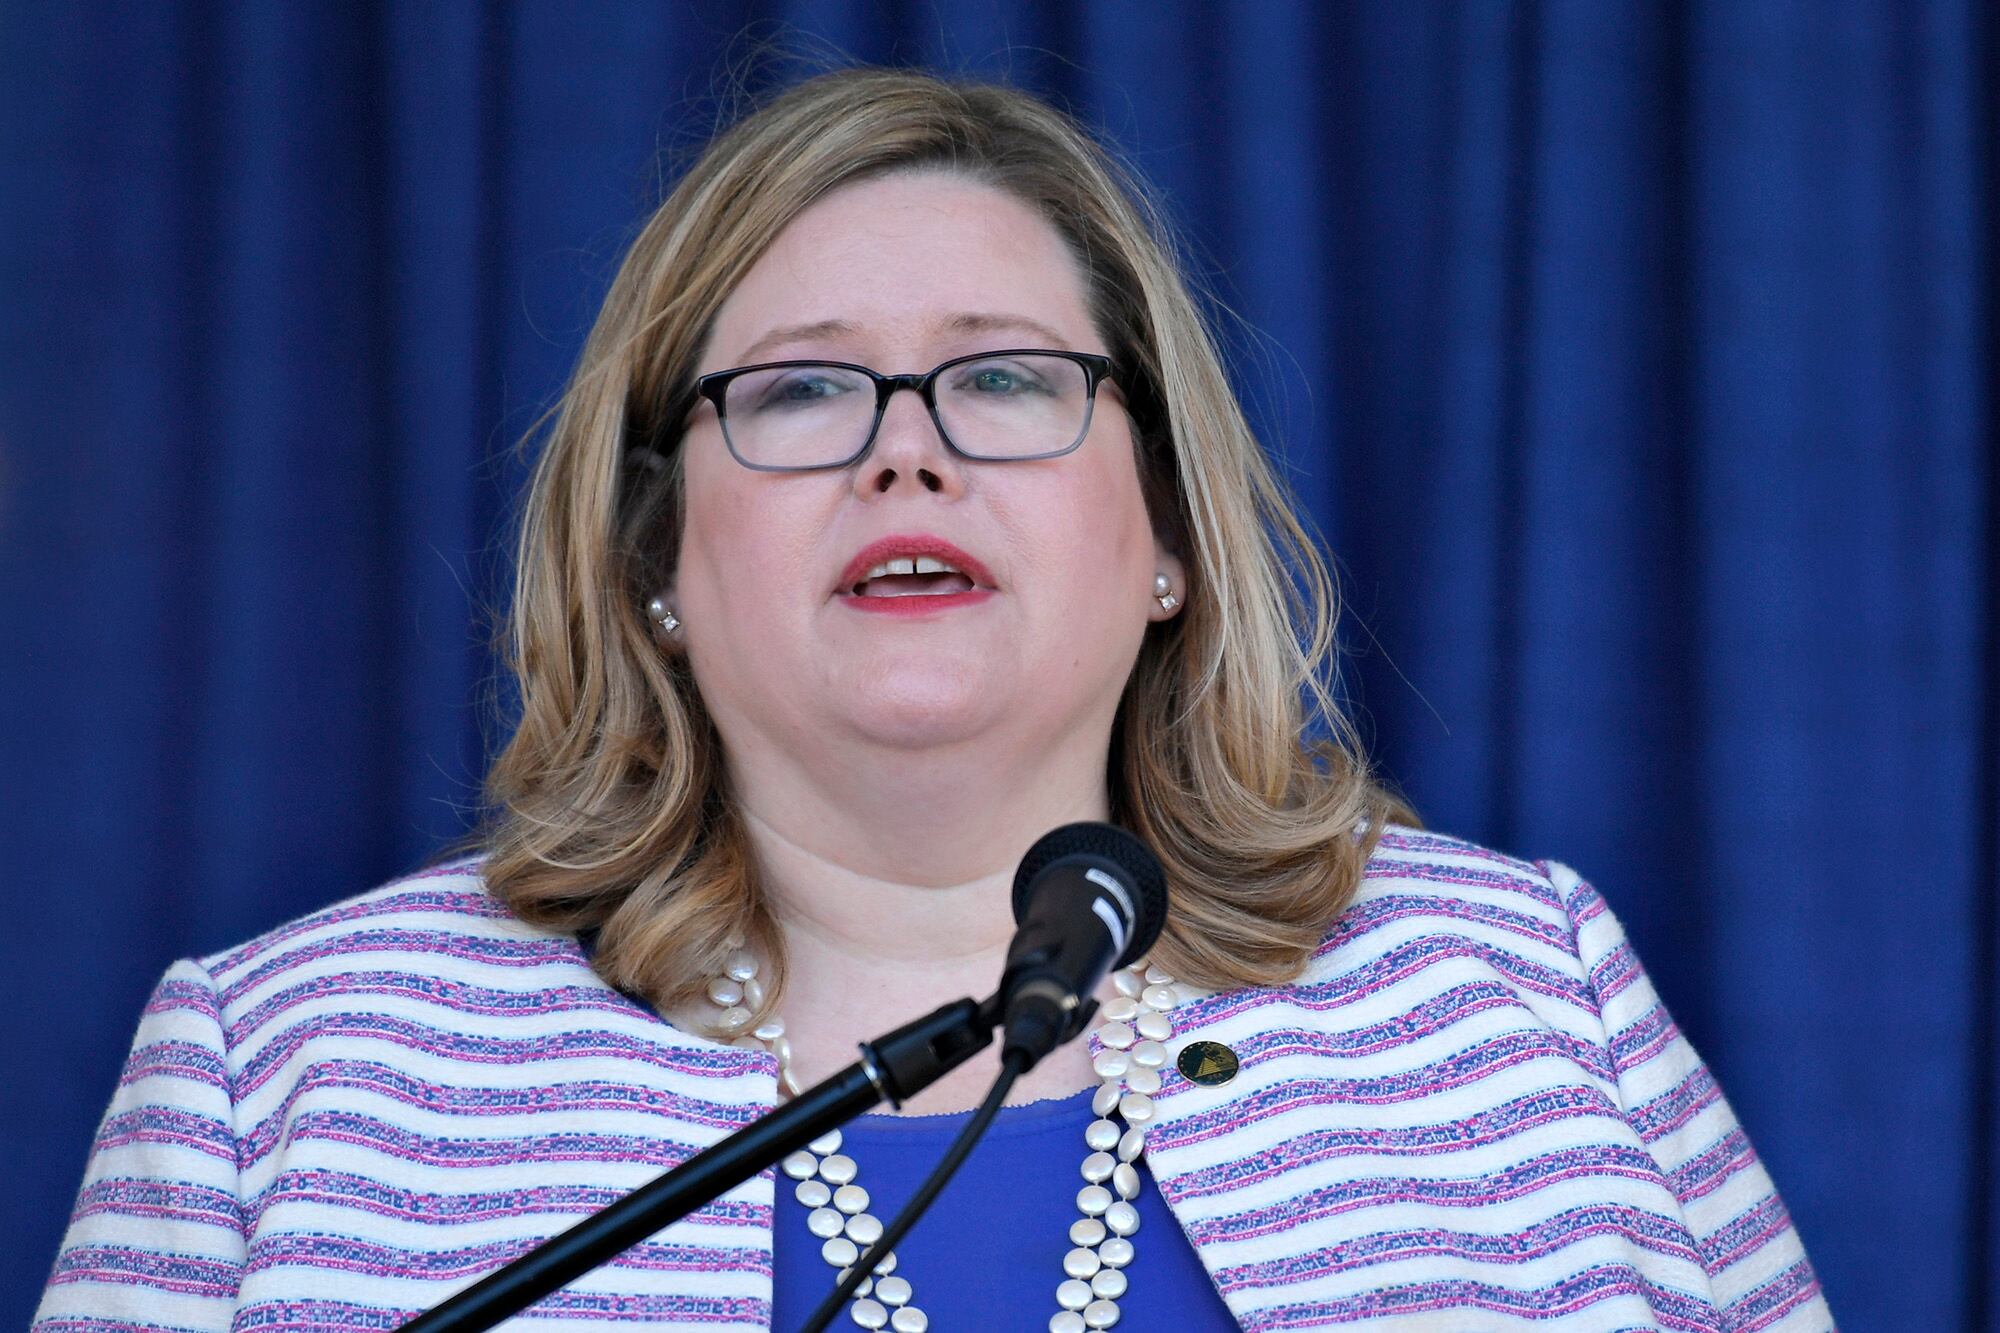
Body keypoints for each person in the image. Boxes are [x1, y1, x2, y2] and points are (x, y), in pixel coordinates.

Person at [35, 67, 1831, 1332]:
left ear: (1168, 539)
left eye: (1004, 377)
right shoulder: (288, 1072)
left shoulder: (1521, 998)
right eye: (805, 392)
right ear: (657, 554)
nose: (908, 454)